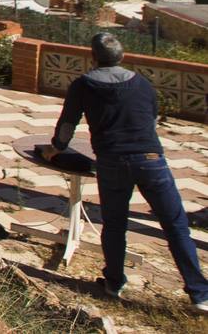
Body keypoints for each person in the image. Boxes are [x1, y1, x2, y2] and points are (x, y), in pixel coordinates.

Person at [41, 32, 208, 309]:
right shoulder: (142, 84)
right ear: (122, 57)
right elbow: (151, 119)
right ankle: (200, 293)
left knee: (115, 225)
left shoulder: (83, 85)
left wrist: (55, 148)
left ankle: (114, 282)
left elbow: (67, 125)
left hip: (112, 162)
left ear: (92, 58)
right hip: (152, 160)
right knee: (176, 226)